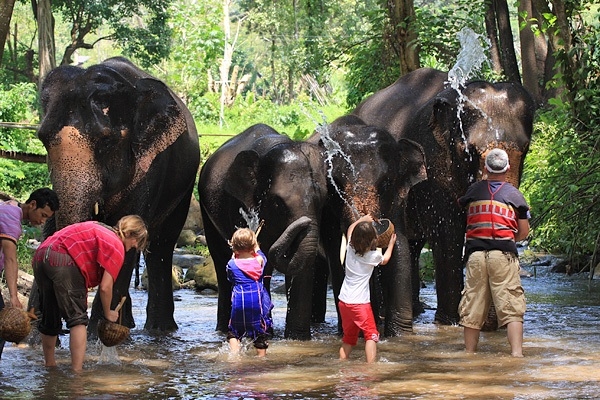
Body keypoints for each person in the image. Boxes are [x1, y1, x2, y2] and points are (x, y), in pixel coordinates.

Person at [32, 215, 148, 371]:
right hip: (63, 260)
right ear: (128, 234)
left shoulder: (101, 228)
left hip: (41, 255)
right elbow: (106, 287)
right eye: (137, 242)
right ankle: (77, 374)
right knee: (78, 320)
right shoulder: (117, 246)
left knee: (50, 317)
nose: (135, 246)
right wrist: (108, 313)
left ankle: (50, 366)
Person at [458, 148, 530, 357]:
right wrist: (509, 240)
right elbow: (523, 232)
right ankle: (516, 355)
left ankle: (469, 353)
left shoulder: (473, 192)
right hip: (503, 256)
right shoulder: (514, 195)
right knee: (512, 305)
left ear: (485, 168)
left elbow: (465, 211)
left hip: (476, 256)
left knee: (472, 304)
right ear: (508, 168)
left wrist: (482, 179)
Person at [0, 188, 59, 360]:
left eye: (46, 218)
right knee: (2, 327)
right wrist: (13, 297)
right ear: (32, 204)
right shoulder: (11, 217)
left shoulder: (9, 208)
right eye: (43, 215)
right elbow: (10, 259)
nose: (42, 221)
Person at [338, 214, 396, 363]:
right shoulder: (373, 256)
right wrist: (390, 245)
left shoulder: (350, 248)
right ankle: (371, 367)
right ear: (372, 240)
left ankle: (341, 363)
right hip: (359, 304)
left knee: (349, 337)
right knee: (371, 335)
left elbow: (351, 228)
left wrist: (362, 219)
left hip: (343, 301)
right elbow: (386, 259)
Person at [226, 228, 273, 357]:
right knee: (259, 334)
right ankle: (261, 358)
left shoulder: (231, 264)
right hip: (256, 306)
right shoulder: (259, 261)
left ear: (234, 247)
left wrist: (234, 256)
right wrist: (257, 248)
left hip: (238, 306)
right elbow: (261, 256)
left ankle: (234, 357)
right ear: (253, 245)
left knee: (234, 333)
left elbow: (230, 278)